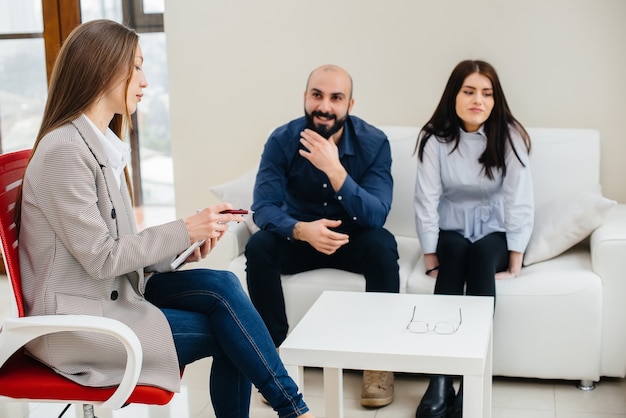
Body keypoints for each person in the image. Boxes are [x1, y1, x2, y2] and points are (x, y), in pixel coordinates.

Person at [17, 19, 315, 418]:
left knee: (223, 284)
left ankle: (294, 409)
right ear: (103, 68)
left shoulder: (97, 145)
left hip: (108, 296)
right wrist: (183, 229)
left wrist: (184, 247)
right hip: (80, 324)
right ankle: (295, 410)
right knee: (233, 334)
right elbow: (103, 258)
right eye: (137, 66)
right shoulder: (65, 152)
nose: (145, 79)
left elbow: (118, 250)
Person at [245, 64, 400, 408]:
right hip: (301, 237)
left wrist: (335, 169)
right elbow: (263, 207)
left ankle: (379, 362)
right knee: (258, 247)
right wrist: (300, 230)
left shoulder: (374, 143)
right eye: (317, 95)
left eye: (336, 98)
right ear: (305, 98)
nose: (325, 106)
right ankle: (275, 360)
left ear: (350, 104)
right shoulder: (281, 140)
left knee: (383, 244)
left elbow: (377, 214)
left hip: (352, 239)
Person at [413, 60, 533, 418]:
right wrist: (430, 255)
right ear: (454, 95)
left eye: (486, 93)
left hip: (495, 231)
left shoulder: (509, 136)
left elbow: (519, 198)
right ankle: (439, 379)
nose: (477, 100)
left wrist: (515, 259)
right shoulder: (434, 139)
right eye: (469, 91)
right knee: (453, 253)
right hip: (451, 230)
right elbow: (426, 199)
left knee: (479, 257)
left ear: (495, 100)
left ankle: (472, 381)